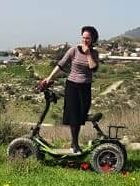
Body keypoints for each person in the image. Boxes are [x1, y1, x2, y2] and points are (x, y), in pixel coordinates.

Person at [39, 26, 100, 155]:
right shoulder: (73, 50)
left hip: (85, 87)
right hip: (72, 86)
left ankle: (75, 143)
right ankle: (75, 144)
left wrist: (88, 54)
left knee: (81, 115)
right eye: (83, 37)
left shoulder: (94, 53)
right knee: (73, 115)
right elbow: (61, 65)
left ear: (92, 39)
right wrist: (49, 78)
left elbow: (93, 68)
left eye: (88, 38)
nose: (85, 40)